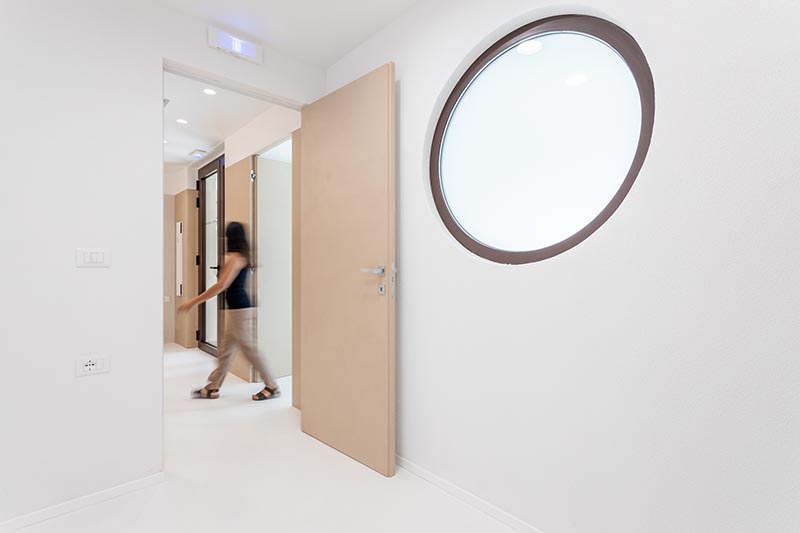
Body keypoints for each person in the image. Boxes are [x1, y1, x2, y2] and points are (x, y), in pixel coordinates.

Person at [178, 221, 280, 401]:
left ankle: (272, 386)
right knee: (226, 351)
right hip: (239, 309)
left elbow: (221, 285)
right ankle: (213, 387)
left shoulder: (234, 257)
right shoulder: (242, 257)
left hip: (239, 310)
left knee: (249, 350)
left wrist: (193, 302)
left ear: (229, 238)